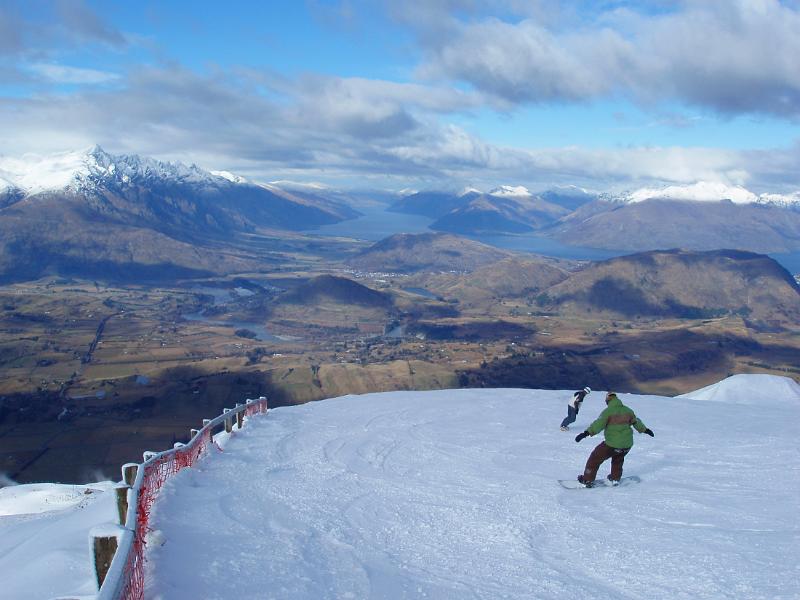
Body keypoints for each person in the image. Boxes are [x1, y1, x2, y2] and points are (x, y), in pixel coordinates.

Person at [574, 391, 654, 487]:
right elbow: (636, 422)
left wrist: (585, 433)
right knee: (618, 459)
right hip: (627, 445)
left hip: (612, 444)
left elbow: (598, 424)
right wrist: (645, 430)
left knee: (595, 458)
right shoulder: (628, 410)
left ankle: (587, 479)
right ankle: (615, 478)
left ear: (608, 400)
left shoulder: (608, 412)